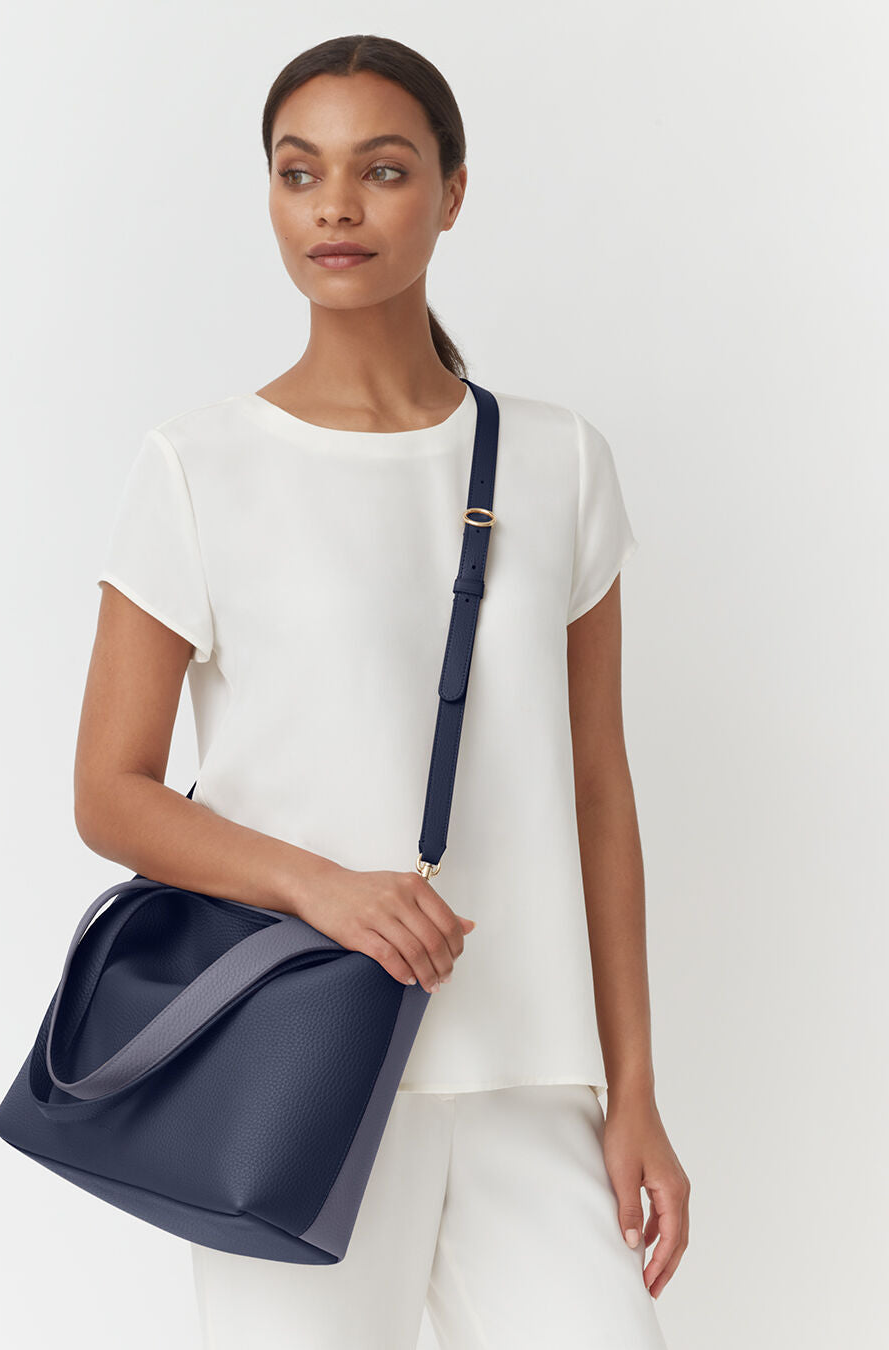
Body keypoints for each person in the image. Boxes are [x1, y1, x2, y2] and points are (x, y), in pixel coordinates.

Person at [75, 32, 689, 1350]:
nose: (336, 207)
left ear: (453, 193)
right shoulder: (197, 466)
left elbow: (597, 787)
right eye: (300, 173)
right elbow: (109, 793)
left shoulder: (559, 461)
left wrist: (632, 1088)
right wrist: (322, 886)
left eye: (384, 169)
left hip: (531, 1079)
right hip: (293, 1070)